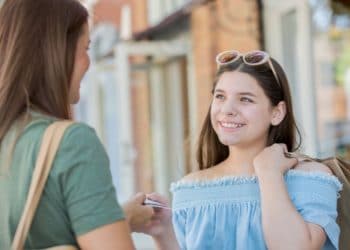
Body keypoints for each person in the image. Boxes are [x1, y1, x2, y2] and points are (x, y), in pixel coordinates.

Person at [0, 0, 168, 249]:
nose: (89, 63)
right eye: (86, 49)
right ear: (58, 52)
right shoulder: (71, 143)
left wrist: (119, 218)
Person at [161, 50, 342, 250]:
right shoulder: (190, 188)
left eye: (245, 99)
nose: (227, 109)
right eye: (220, 96)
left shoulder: (311, 177)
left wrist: (269, 173)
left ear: (277, 113)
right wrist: (162, 234)